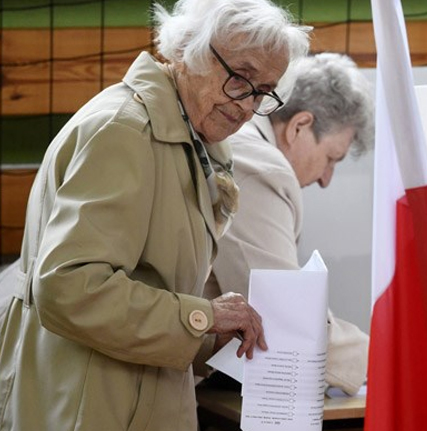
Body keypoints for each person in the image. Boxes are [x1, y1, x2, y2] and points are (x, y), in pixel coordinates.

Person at [0, 1, 309, 430]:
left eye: (264, 92)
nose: (245, 105)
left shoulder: (193, 138)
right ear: (187, 49)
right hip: (86, 408)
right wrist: (202, 316)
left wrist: (210, 336)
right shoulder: (124, 131)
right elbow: (67, 287)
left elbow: (152, 285)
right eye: (240, 77)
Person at [204, 53, 374, 395]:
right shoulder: (259, 166)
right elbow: (286, 315)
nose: (327, 179)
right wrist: (389, 359)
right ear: (299, 126)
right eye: (331, 159)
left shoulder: (245, 145)